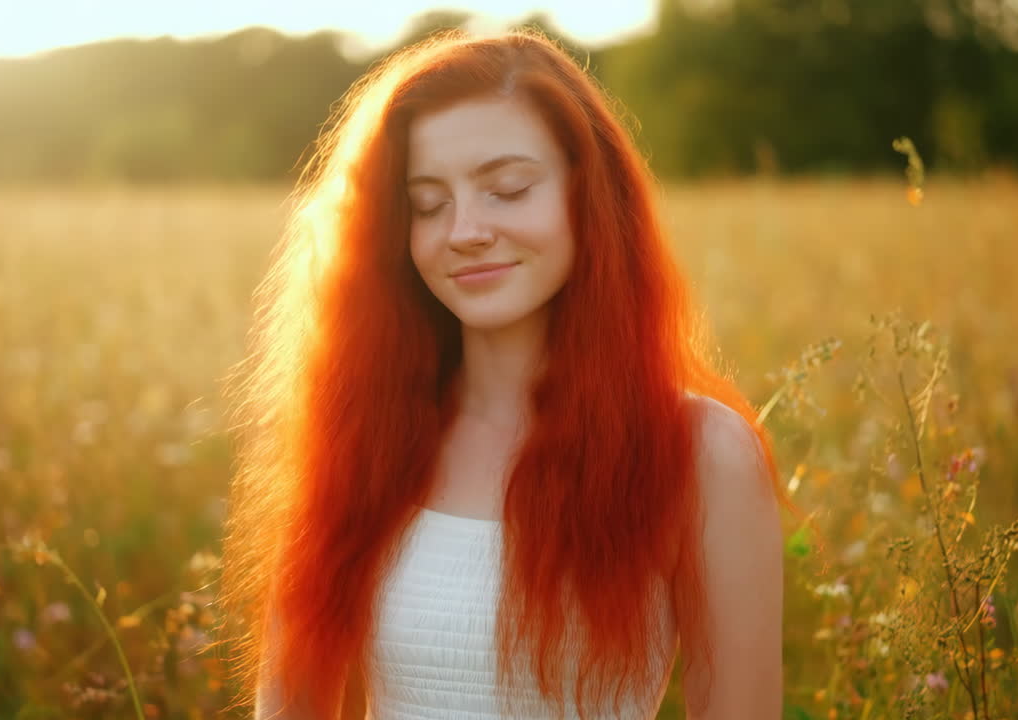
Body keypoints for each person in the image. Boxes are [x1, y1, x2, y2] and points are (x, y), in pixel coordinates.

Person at [219, 27, 795, 720]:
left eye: (508, 189)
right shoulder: (360, 435)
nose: (464, 229)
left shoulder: (703, 453)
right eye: (428, 204)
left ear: (590, 198)